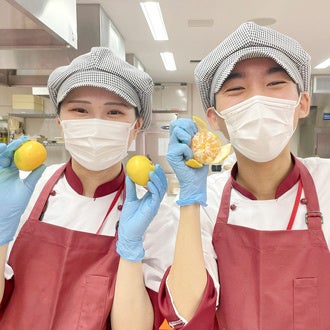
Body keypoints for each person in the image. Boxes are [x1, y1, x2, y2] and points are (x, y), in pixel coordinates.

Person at [159, 22, 330, 329]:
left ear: (301, 103)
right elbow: (185, 314)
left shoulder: (327, 183)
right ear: (214, 118)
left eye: (275, 84)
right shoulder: (205, 201)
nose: (257, 99)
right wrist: (189, 203)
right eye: (236, 89)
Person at [0, 47, 177, 330]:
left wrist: (130, 252)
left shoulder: (155, 213)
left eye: (114, 112)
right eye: (80, 110)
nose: (96, 124)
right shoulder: (24, 192)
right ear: (60, 122)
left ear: (136, 127)